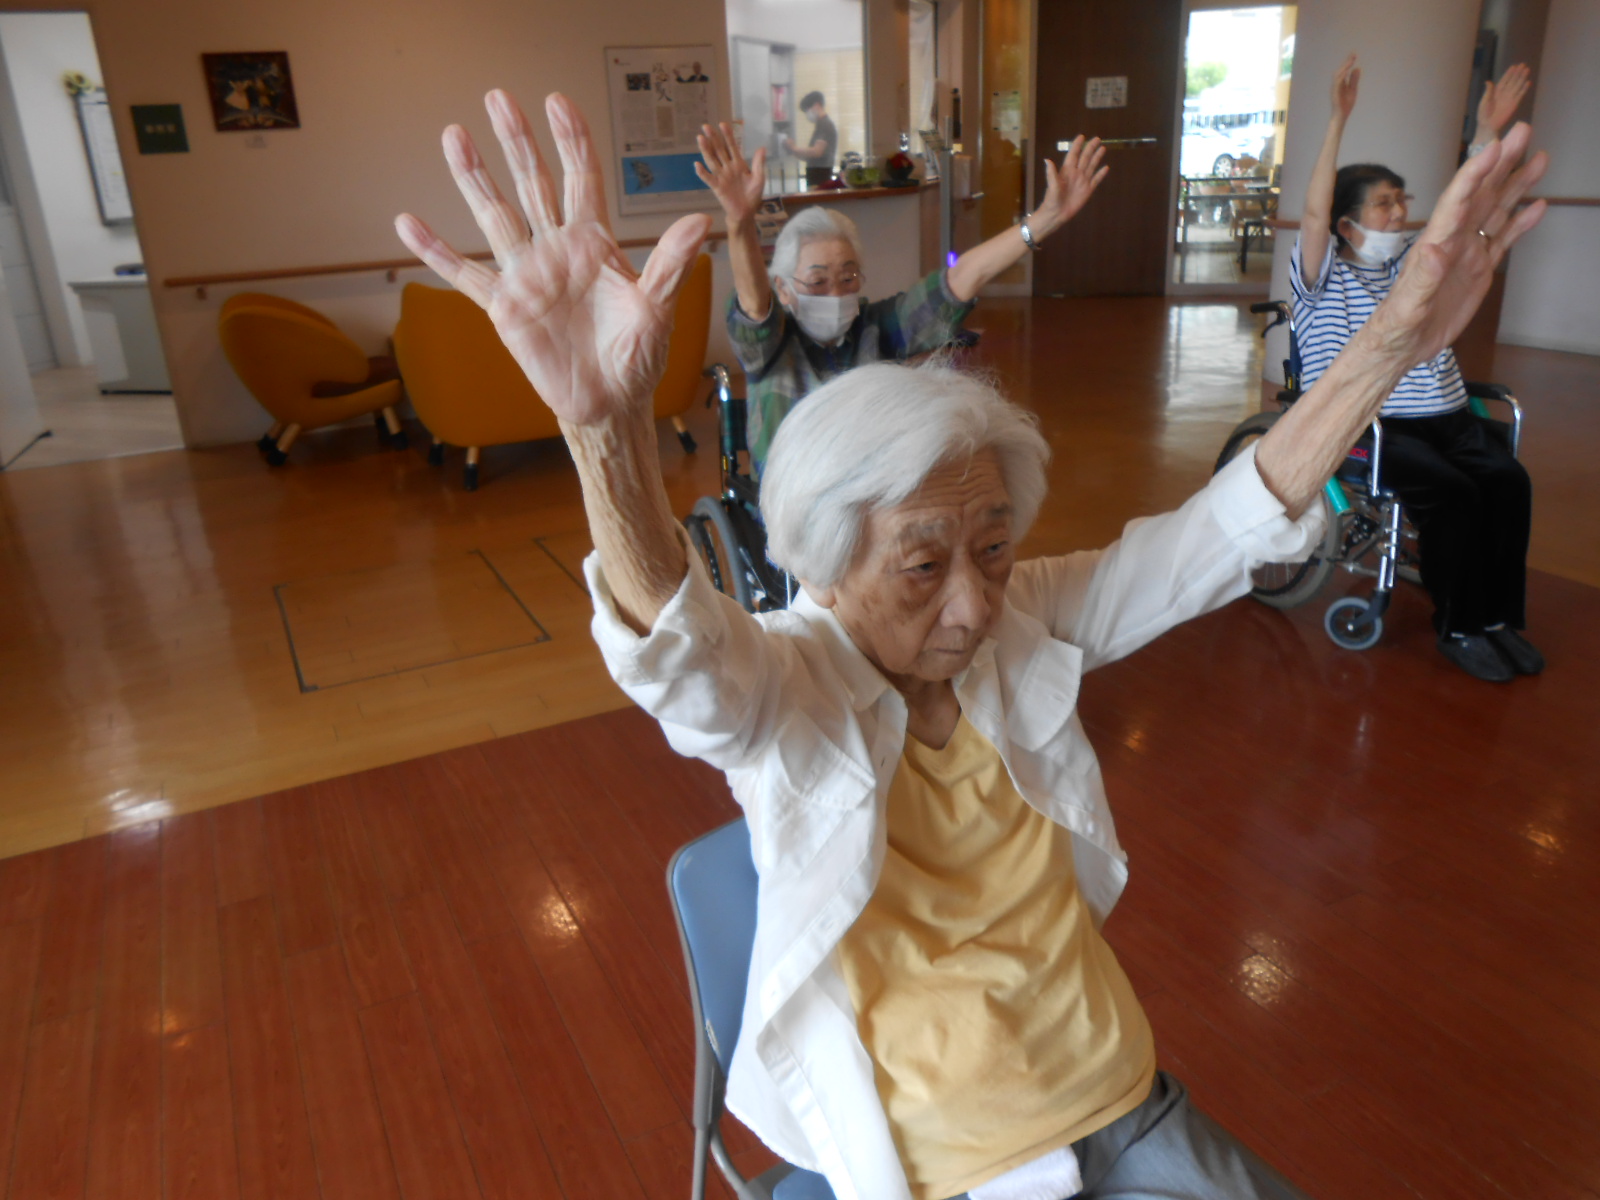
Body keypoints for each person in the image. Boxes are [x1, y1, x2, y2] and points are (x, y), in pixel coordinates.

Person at [395, 88, 1545, 1200]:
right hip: (952, 1166)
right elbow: (684, 661)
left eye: (991, 549)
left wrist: (1387, 344)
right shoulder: (790, 687)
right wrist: (603, 434)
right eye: (921, 565)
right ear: (822, 564)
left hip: (1123, 1095)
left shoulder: (1020, 616)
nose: (974, 607)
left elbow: (1216, 533)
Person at [1294, 56, 1540, 682]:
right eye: (1383, 204)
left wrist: (1486, 135)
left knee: (1509, 483)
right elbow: (1313, 217)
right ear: (1347, 224)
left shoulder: (1412, 264)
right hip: (1376, 426)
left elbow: (1464, 216)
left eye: (1401, 200)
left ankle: (1495, 619)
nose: (1399, 212)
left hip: (1447, 415)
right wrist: (1337, 119)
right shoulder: (1322, 278)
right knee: (1455, 495)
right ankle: (1458, 627)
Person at [696, 120, 1108, 474]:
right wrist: (739, 221)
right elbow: (754, 306)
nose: (836, 292)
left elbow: (961, 278)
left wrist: (1044, 219)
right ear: (783, 288)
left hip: (872, 488)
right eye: (818, 281)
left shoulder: (877, 327)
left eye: (848, 277)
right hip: (797, 501)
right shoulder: (771, 347)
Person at [786, 91, 840, 188]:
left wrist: (794, 148)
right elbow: (811, 156)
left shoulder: (825, 124)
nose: (807, 114)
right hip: (816, 181)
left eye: (807, 110)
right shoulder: (820, 125)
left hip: (821, 182)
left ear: (816, 105)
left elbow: (817, 152)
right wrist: (794, 151)